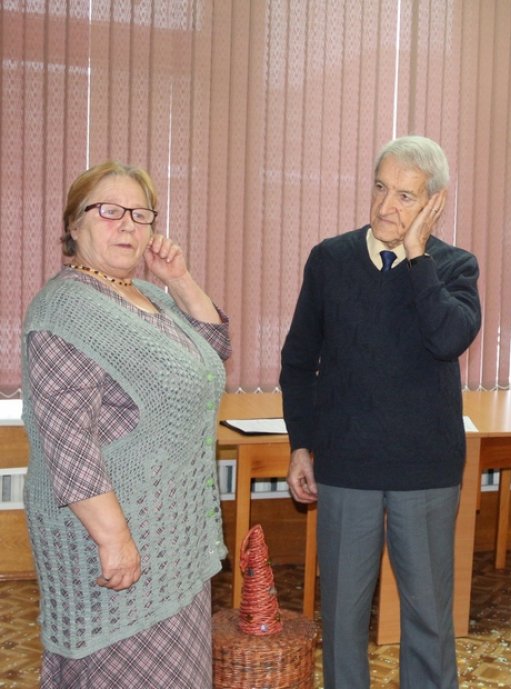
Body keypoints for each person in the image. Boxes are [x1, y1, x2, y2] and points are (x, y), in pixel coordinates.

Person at [280, 135, 481, 689]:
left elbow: (447, 339)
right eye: (380, 188)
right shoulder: (330, 260)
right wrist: (301, 444)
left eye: (405, 196)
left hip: (425, 468)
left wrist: (417, 257)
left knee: (428, 619)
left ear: (435, 203)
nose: (386, 205)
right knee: (342, 621)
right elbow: (298, 361)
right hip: (347, 467)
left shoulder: (455, 267)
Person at [21, 161, 230, 687]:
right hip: (114, 543)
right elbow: (68, 443)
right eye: (109, 211)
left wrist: (178, 279)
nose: (128, 225)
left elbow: (213, 353)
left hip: (171, 539)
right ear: (73, 225)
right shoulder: (63, 309)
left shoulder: (149, 296)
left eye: (140, 214)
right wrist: (115, 540)